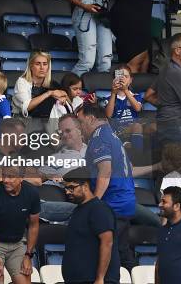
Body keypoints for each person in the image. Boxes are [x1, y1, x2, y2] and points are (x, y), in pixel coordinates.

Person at [76, 103, 136, 270]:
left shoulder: (99, 137)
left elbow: (105, 171)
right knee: (122, 250)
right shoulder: (113, 135)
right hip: (125, 201)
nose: (80, 128)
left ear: (91, 118)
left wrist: (94, 203)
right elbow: (128, 168)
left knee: (111, 253)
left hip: (113, 203)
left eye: (80, 122)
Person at [61, 167, 120, 284]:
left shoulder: (99, 208)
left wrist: (100, 278)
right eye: (66, 188)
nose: (67, 192)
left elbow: (107, 243)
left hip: (94, 280)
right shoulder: (78, 210)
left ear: (85, 186)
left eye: (71, 187)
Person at [0, 166, 40, 284]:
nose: (5, 180)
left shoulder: (32, 193)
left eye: (11, 176)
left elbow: (33, 225)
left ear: (21, 178)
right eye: (4, 175)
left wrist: (28, 255)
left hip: (18, 244)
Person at [145, 33, 181, 144]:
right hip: (177, 127)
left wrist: (166, 104)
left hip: (166, 125)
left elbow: (148, 95)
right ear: (177, 51)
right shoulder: (177, 73)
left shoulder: (166, 69)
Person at [12, 50, 67, 118]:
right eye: (38, 64)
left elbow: (64, 93)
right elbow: (27, 107)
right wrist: (49, 93)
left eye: (45, 64)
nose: (42, 67)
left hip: (44, 121)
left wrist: (62, 97)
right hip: (21, 121)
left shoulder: (51, 83)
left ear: (48, 67)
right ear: (31, 66)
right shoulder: (21, 82)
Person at [156, 186, 181, 284]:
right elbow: (158, 263)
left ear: (176, 206)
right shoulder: (162, 229)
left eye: (164, 202)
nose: (160, 205)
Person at [104, 65, 144, 133]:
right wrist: (113, 93)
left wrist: (125, 90)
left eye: (126, 76)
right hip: (117, 130)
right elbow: (108, 115)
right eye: (120, 76)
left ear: (130, 80)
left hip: (133, 129)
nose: (122, 79)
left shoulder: (136, 96)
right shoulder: (109, 98)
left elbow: (138, 108)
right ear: (114, 79)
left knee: (138, 126)